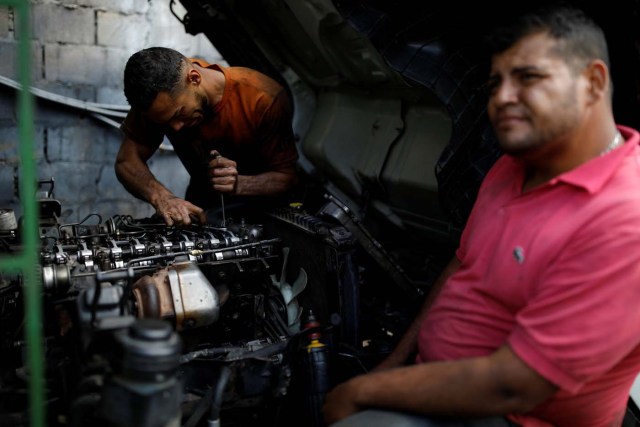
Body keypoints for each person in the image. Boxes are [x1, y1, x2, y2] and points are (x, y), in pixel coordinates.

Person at [323, 5, 640, 427]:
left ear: (593, 83)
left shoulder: (625, 217)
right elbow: (462, 266)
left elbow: (517, 385)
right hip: (442, 386)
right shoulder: (511, 168)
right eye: (495, 83)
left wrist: (362, 391)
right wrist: (393, 365)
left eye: (528, 77)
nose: (502, 98)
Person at [115, 47, 299, 226]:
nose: (176, 128)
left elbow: (287, 179)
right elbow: (127, 162)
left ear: (194, 78)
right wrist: (163, 197)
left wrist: (240, 184)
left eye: (179, 114)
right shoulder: (154, 101)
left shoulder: (262, 97)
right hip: (201, 210)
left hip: (266, 215)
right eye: (164, 123)